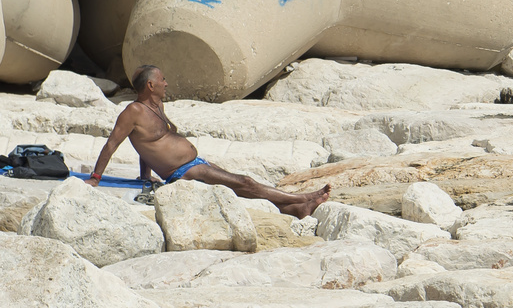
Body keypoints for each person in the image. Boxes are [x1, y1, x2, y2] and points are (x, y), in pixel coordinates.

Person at [88, 65, 331, 217]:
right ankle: (303, 198)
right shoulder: (133, 111)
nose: (166, 83)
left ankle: (294, 209)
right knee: (245, 182)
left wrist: (145, 175)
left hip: (197, 163)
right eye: (162, 79)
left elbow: (147, 146)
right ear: (151, 85)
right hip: (184, 173)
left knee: (239, 188)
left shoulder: (158, 105)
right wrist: (95, 179)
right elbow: (112, 145)